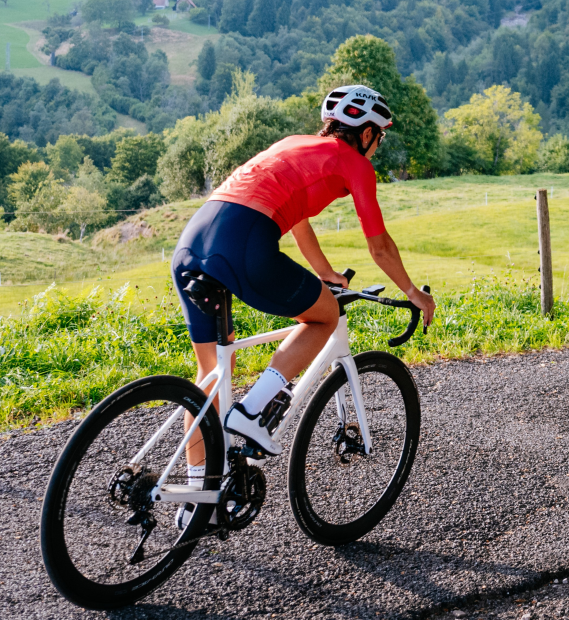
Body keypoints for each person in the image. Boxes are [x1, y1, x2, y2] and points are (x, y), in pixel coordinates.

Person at [170, 84, 436, 477]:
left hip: (192, 242)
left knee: (209, 375)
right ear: (366, 133)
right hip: (244, 243)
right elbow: (378, 246)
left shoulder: (294, 143)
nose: (376, 146)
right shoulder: (355, 163)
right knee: (324, 316)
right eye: (378, 137)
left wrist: (325, 272)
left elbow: (296, 219)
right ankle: (250, 411)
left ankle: (197, 494)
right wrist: (414, 293)